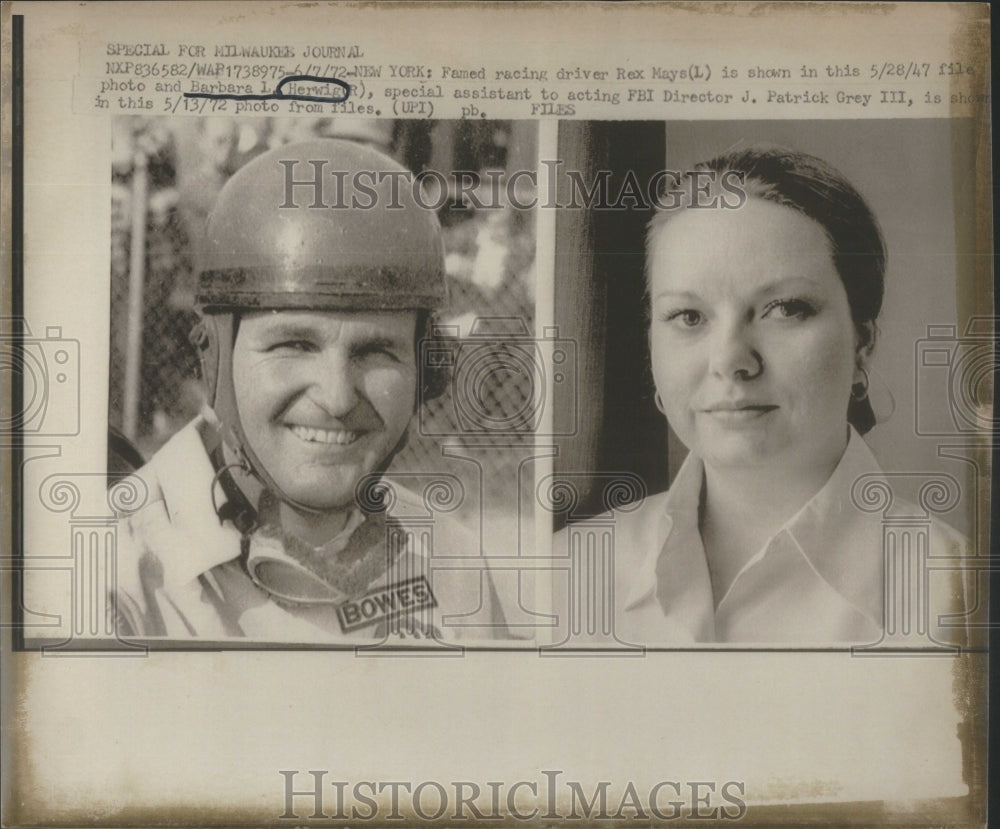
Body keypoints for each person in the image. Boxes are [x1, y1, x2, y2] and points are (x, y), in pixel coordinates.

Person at [560, 145, 970, 646]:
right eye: (688, 317)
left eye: (785, 309)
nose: (731, 358)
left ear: (863, 341)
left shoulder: (963, 600)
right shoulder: (560, 579)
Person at [111, 138, 508, 643]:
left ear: (427, 371)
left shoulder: (452, 564)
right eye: (293, 344)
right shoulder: (112, 574)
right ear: (215, 358)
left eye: (377, 352)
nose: (339, 397)